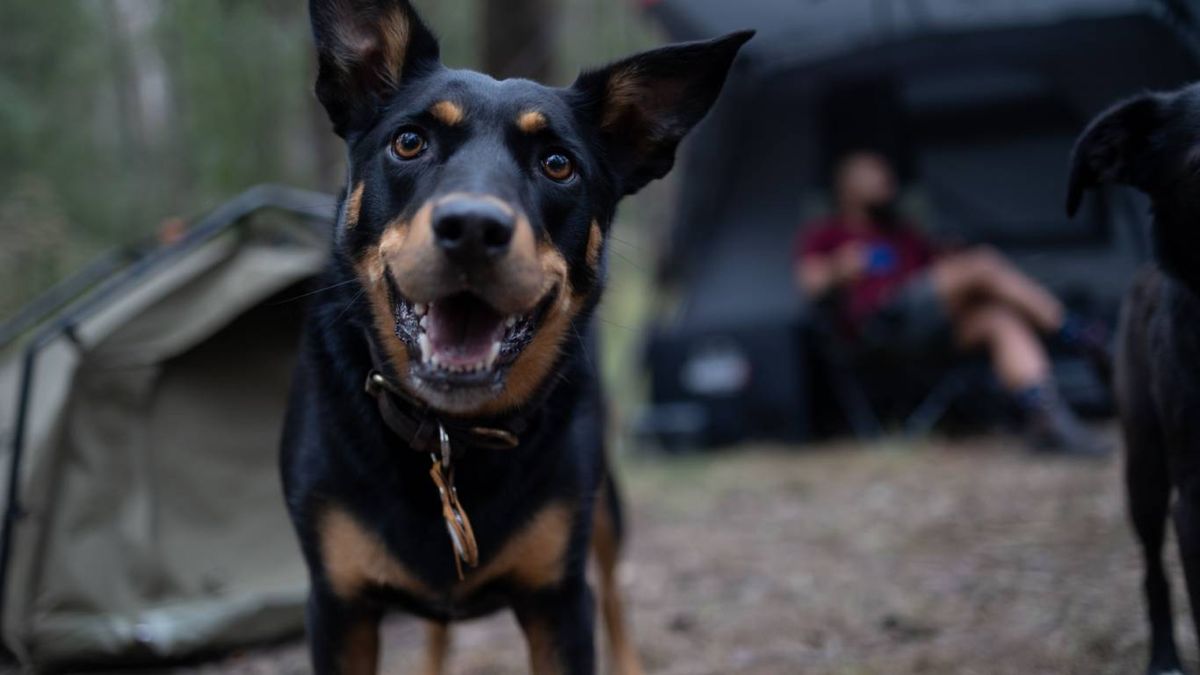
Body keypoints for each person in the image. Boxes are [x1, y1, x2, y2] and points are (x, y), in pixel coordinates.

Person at [795, 151, 1109, 455]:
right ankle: (1078, 333)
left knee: (998, 319)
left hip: (929, 327)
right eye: (875, 173)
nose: (887, 180)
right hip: (880, 325)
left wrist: (951, 260)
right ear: (847, 185)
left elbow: (938, 275)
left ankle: (1047, 419)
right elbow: (809, 284)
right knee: (983, 263)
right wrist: (840, 268)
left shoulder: (902, 233)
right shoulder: (826, 234)